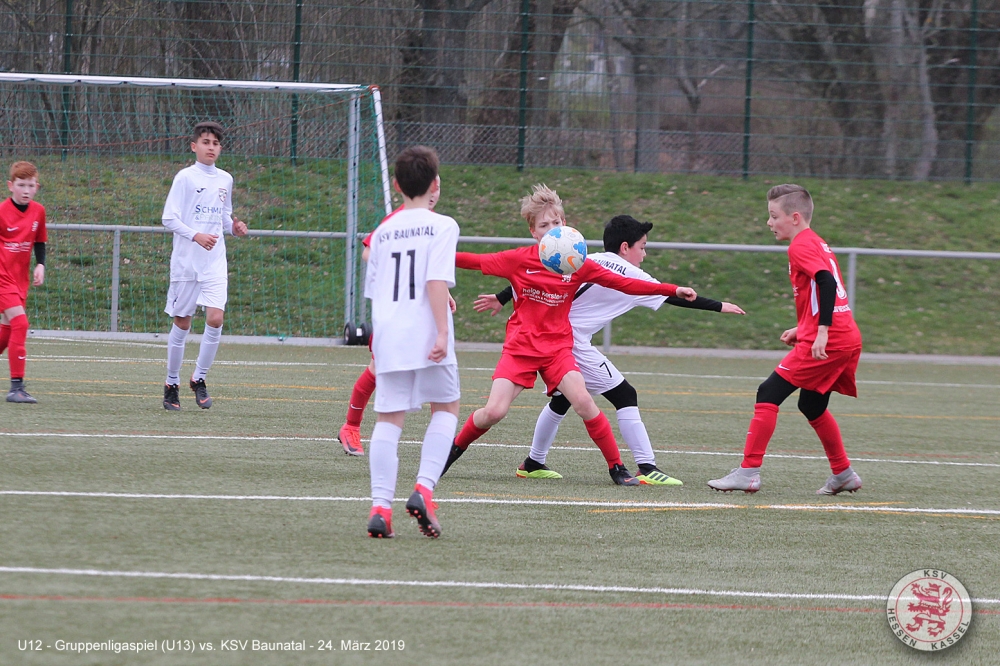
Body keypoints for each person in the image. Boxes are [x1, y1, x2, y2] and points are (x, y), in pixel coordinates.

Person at [442, 185, 698, 486]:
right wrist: (429, 255)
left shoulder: (577, 264)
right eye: (544, 225)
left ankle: (618, 469)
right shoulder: (519, 260)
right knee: (494, 412)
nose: (552, 229)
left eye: (557, 222)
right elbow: (473, 260)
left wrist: (672, 290)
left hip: (557, 350)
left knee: (584, 402)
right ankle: (450, 453)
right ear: (533, 232)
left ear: (566, 224)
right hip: (521, 348)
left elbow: (625, 283)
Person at [475, 214, 745, 485]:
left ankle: (533, 463)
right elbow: (672, 296)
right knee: (625, 395)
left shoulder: (586, 258)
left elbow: (539, 271)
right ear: (625, 247)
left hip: (552, 337)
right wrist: (719, 306)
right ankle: (647, 467)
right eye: (642, 247)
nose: (644, 254)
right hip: (571, 342)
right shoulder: (631, 273)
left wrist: (501, 297)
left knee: (562, 400)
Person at [708, 184, 863, 495]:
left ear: (794, 218)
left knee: (768, 392)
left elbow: (826, 283)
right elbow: (823, 291)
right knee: (812, 404)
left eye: (773, 215)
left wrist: (821, 331)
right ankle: (843, 473)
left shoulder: (800, 246)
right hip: (846, 335)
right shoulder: (817, 241)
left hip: (832, 338)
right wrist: (804, 327)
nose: (769, 222)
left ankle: (748, 472)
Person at [364, 145, 460, 539]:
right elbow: (434, 280)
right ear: (435, 183)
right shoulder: (443, 225)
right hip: (426, 332)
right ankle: (424, 489)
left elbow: (376, 290)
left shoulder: (382, 232)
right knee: (447, 407)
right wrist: (442, 331)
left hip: (390, 333)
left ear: (397, 184)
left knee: (389, 419)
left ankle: (380, 508)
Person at [337, 187, 440, 457]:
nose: (433, 193)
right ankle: (350, 427)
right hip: (395, 313)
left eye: (437, 188)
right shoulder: (397, 219)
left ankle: (439, 440)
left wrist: (444, 294)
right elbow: (368, 253)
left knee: (435, 371)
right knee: (377, 370)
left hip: (422, 314)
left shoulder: (435, 223)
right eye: (428, 187)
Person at [161, 121, 248, 411]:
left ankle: (199, 378)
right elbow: (169, 218)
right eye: (206, 142)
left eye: (216, 143)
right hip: (187, 263)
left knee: (215, 319)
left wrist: (234, 227)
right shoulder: (185, 178)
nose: (211, 147)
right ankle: (171, 383)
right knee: (182, 323)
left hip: (214, 262)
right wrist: (195, 235)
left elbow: (224, 217)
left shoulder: (225, 179)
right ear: (194, 146)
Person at [0, 161, 47, 404]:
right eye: (21, 185)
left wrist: (40, 264)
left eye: (30, 185)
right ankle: (16, 388)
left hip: (20, 279)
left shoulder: (38, 211)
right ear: (11, 186)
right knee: (20, 323)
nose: (26, 190)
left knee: (7, 330)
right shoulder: (1, 211)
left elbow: (39, 241)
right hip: (2, 278)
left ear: (36, 187)